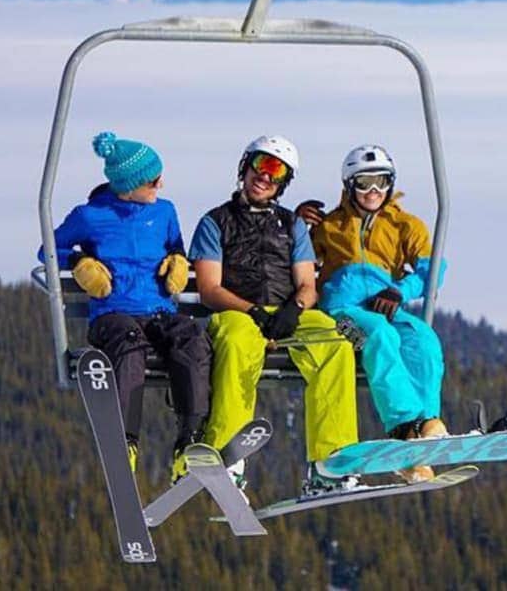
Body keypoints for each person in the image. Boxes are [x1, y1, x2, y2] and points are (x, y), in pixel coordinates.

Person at [190, 135, 360, 497]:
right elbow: (209, 288)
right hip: (236, 311)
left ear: (284, 182)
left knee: (334, 345)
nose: (265, 177)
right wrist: (252, 311)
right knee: (237, 345)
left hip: (286, 313)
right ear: (245, 166)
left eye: (276, 171)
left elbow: (307, 285)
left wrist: (293, 310)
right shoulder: (215, 222)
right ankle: (228, 456)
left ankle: (331, 461)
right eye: (260, 165)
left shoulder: (291, 226)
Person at [44, 131, 210, 485]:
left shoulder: (164, 212)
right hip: (112, 315)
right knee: (129, 345)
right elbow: (47, 250)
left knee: (191, 339)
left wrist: (179, 262)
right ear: (129, 184)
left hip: (159, 312)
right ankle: (125, 443)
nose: (159, 185)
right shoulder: (89, 216)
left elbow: (175, 247)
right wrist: (79, 261)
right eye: (152, 181)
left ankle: (190, 439)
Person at [298, 144, 447, 483]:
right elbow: (297, 258)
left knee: (423, 340)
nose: (373, 191)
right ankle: (404, 426)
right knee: (378, 335)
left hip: (385, 303)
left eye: (381, 182)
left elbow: (433, 269)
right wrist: (298, 222)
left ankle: (424, 430)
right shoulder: (331, 225)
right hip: (342, 311)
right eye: (364, 183)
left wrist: (401, 290)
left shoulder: (404, 225)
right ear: (349, 185)